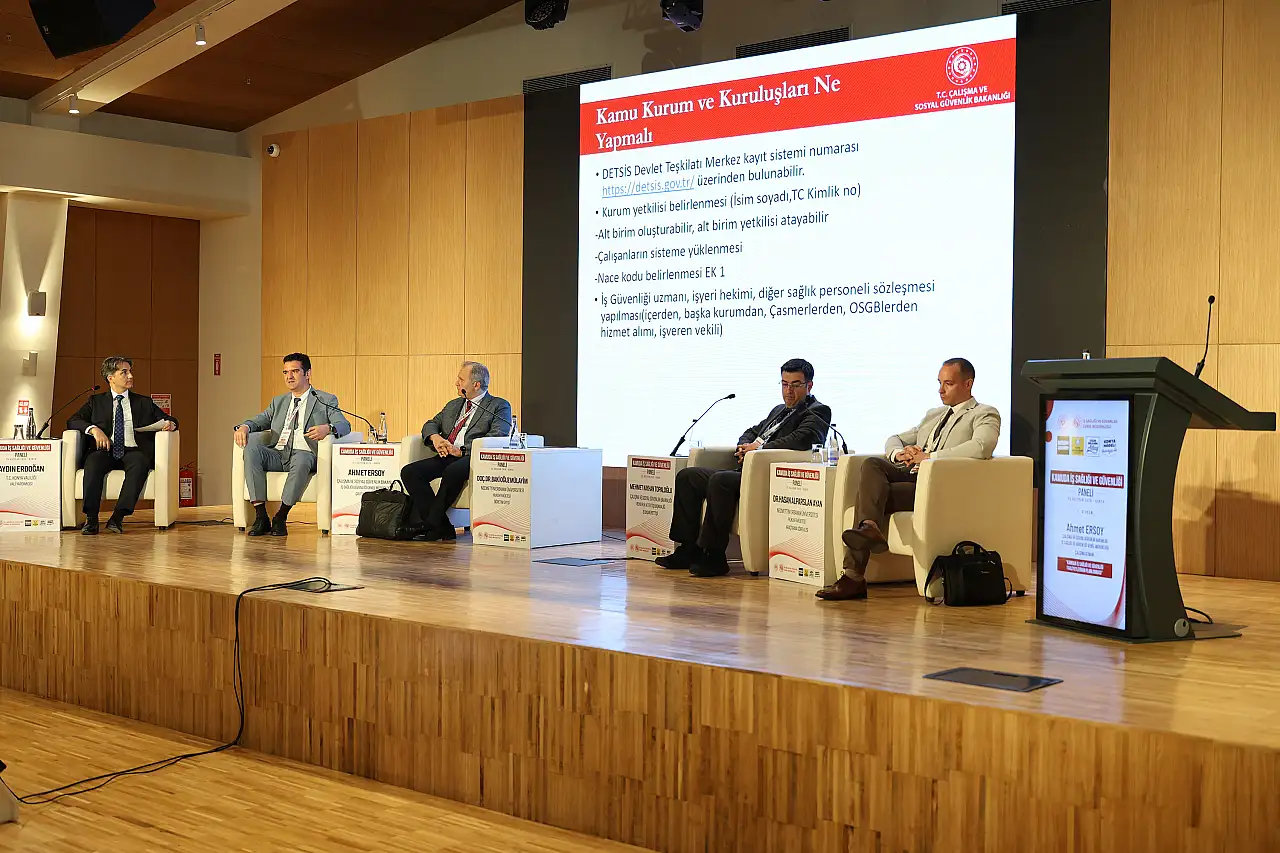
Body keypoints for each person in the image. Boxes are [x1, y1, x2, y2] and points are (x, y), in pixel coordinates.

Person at [817, 357, 1000, 601]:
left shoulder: (984, 413)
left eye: (948, 384)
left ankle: (853, 576)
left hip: (938, 486)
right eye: (939, 383)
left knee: (871, 498)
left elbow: (982, 446)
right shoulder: (934, 414)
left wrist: (929, 457)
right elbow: (895, 438)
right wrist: (899, 453)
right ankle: (869, 528)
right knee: (871, 464)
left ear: (968, 384)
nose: (941, 390)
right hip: (913, 477)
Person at [656, 358, 831, 578]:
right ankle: (688, 548)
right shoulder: (779, 410)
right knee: (688, 476)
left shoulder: (818, 411)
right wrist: (744, 446)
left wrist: (758, 449)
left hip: (770, 476)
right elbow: (751, 431)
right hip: (746, 470)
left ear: (809, 385)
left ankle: (713, 555)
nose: (788, 391)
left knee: (721, 481)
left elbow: (801, 439)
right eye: (785, 384)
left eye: (795, 385)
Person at [234, 353, 350, 537]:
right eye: (285, 372)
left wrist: (328, 428)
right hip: (279, 453)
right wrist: (245, 427)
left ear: (307, 373)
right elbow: (261, 419)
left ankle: (281, 516)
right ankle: (261, 516)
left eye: (294, 371)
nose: (289, 376)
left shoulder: (325, 400)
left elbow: (344, 425)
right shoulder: (279, 401)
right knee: (251, 449)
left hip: (305, 453)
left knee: (301, 458)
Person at [400, 361, 513, 542]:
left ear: (476, 384)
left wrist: (462, 450)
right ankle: (442, 527)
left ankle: (430, 525)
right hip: (447, 454)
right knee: (410, 472)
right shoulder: (454, 405)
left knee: (452, 471)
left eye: (461, 379)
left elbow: (497, 436)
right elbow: (430, 424)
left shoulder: (498, 406)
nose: (456, 383)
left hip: (472, 457)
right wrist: (436, 438)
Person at [67, 356, 178, 535]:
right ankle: (92, 519)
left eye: (130, 372)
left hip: (133, 450)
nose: (130, 376)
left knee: (140, 463)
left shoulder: (143, 402)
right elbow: (73, 421)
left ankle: (118, 517)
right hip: (105, 450)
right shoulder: (96, 401)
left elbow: (170, 419)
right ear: (110, 377)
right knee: (93, 463)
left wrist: (171, 424)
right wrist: (94, 429)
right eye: (124, 372)